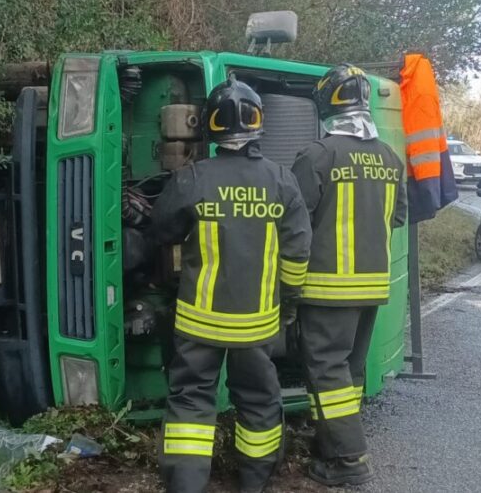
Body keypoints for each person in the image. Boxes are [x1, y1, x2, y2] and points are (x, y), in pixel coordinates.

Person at [152, 78, 312, 493]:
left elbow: (160, 229)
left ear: (210, 127)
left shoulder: (192, 179)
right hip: (257, 324)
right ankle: (253, 483)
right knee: (259, 402)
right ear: (259, 125)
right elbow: (296, 258)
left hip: (198, 322)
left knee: (190, 403)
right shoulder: (282, 182)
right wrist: (287, 307)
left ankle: (186, 486)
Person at [290, 64, 407, 487]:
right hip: (372, 287)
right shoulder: (389, 158)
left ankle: (350, 459)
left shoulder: (318, 155)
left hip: (325, 288)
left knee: (326, 371)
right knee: (349, 373)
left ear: (326, 102)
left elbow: (292, 221)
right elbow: (397, 217)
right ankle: (329, 443)